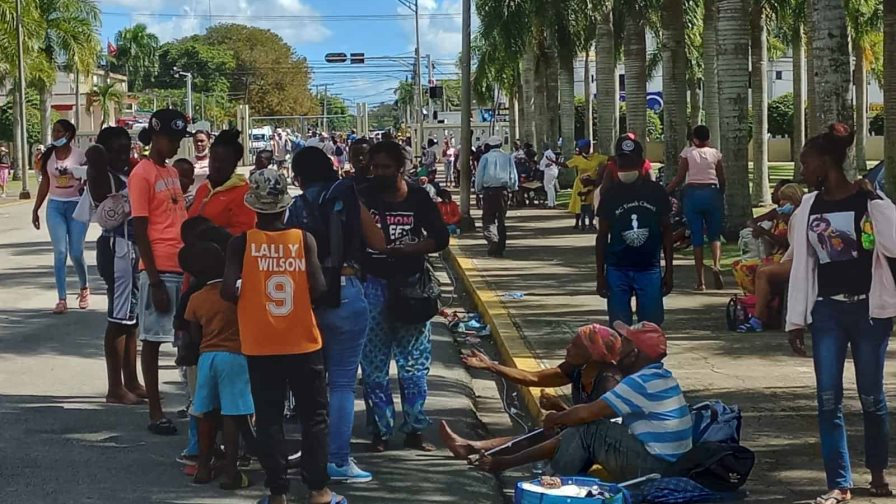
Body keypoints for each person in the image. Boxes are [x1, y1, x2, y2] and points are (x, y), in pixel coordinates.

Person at [786, 123, 896, 504]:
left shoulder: (867, 201)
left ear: (825, 163)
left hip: (870, 311)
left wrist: (877, 197)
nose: (802, 171)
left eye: (805, 163)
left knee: (872, 397)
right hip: (828, 311)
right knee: (828, 398)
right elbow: (802, 262)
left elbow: (895, 240)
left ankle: (879, 472)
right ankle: (840, 482)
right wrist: (796, 320)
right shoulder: (807, 206)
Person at [222, 168, 343, 504]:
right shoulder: (303, 240)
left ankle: (278, 492)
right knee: (314, 417)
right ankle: (318, 489)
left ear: (253, 208)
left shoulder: (241, 244)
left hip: (261, 345)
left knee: (270, 418)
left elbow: (228, 293)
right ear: (285, 206)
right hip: (303, 341)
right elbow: (318, 288)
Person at [476, 322, 691, 481]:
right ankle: (520, 467)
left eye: (625, 343)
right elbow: (539, 379)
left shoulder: (635, 381)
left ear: (634, 353)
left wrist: (556, 416)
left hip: (655, 466)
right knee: (584, 428)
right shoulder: (661, 377)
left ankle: (549, 481)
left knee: (589, 429)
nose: (619, 348)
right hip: (667, 462)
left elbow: (587, 415)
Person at [285, 146, 386, 483]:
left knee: (310, 383)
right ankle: (338, 460)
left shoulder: (296, 207)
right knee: (342, 383)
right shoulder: (346, 197)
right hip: (346, 289)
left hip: (307, 297)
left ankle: (312, 452)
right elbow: (379, 242)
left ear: (298, 177)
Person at [358, 140, 450, 453]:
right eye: (376, 167)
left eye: (386, 167)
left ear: (400, 167)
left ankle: (414, 428)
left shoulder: (419, 197)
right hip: (373, 285)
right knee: (373, 364)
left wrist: (409, 249)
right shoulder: (363, 195)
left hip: (412, 286)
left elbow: (441, 237)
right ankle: (380, 432)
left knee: (413, 365)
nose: (380, 172)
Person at [444, 324, 621, 465]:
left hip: (608, 444)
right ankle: (471, 447)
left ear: (593, 354)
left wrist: (559, 410)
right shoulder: (577, 368)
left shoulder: (609, 381)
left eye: (575, 346)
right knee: (547, 432)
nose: (568, 348)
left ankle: (497, 460)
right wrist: (491, 366)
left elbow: (596, 426)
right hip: (586, 433)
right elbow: (534, 378)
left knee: (552, 435)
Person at [131, 109, 192, 435]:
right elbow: (140, 227)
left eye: (179, 140)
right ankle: (155, 411)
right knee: (153, 341)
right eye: (172, 139)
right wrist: (153, 279)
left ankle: (192, 404)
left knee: (188, 340)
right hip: (159, 268)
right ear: (155, 136)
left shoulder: (168, 171)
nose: (175, 146)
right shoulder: (142, 173)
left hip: (181, 266)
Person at [181, 241, 253, 490]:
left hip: (206, 358)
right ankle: (231, 470)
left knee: (206, 413)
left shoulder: (196, 299)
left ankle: (203, 466)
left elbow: (193, 337)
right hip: (235, 357)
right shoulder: (237, 295)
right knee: (232, 414)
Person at [84, 126, 146, 405]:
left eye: (126, 149)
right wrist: (101, 151)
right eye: (116, 150)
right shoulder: (101, 175)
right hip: (117, 247)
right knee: (118, 319)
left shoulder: (127, 172)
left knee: (130, 319)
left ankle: (131, 379)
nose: (123, 155)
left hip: (131, 248)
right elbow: (94, 156)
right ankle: (115, 387)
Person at [596, 135, 673, 326]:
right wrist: (600, 275)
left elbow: (667, 232)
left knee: (651, 327)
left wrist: (670, 271)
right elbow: (602, 236)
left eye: (630, 161)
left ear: (640, 162)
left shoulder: (656, 192)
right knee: (620, 326)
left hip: (648, 268)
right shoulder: (610, 195)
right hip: (617, 269)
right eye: (621, 161)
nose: (625, 166)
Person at [32, 119, 89, 314]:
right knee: (60, 252)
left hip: (76, 207)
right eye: (54, 131)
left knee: (76, 252)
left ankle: (83, 287)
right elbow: (45, 184)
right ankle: (62, 298)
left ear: (69, 135)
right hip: (55, 206)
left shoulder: (80, 156)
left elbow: (91, 180)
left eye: (59, 131)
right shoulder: (48, 157)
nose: (56, 135)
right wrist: (36, 209)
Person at [665, 125, 727, 291]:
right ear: (708, 138)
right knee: (714, 235)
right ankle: (716, 265)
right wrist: (720, 193)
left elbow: (679, 177)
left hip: (692, 194)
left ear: (694, 138)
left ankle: (701, 281)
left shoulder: (688, 153)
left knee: (697, 237)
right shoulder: (715, 153)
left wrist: (666, 191)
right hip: (712, 193)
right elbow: (721, 177)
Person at [188, 128, 255, 235]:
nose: (217, 165)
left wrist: (211, 234)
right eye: (214, 159)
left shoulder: (244, 193)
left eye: (224, 161)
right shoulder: (203, 189)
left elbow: (245, 231)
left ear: (234, 164)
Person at [475, 136, 518, 258]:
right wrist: (513, 189)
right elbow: (513, 175)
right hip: (503, 192)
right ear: (500, 145)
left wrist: (478, 191)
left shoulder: (485, 158)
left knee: (488, 219)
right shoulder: (507, 157)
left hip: (489, 192)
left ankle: (493, 239)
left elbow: (479, 176)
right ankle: (500, 247)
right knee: (501, 220)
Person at [552, 139, 607, 230]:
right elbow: (566, 165)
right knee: (578, 204)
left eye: (587, 147)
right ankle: (578, 222)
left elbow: (609, 159)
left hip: (592, 183)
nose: (586, 149)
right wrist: (555, 162)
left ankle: (590, 223)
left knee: (592, 204)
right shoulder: (577, 159)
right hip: (580, 183)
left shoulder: (597, 157)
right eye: (583, 148)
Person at [539, 142, 559, 208]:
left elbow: (543, 164)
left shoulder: (547, 154)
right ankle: (553, 203)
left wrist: (540, 167)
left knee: (548, 187)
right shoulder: (551, 154)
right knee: (551, 187)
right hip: (553, 171)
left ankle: (550, 204)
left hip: (549, 172)